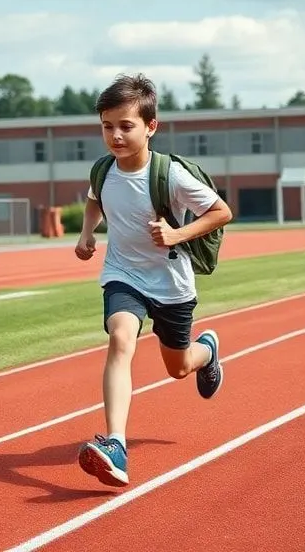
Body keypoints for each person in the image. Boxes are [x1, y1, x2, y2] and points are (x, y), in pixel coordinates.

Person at [73, 73, 233, 486]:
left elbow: (221, 212)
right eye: (108, 126)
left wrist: (177, 233)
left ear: (151, 126)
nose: (115, 135)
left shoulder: (171, 175)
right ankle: (115, 444)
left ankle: (207, 352)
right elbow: (94, 200)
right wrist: (88, 233)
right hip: (123, 275)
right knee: (120, 338)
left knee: (177, 368)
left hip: (171, 285)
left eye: (126, 126)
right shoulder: (103, 170)